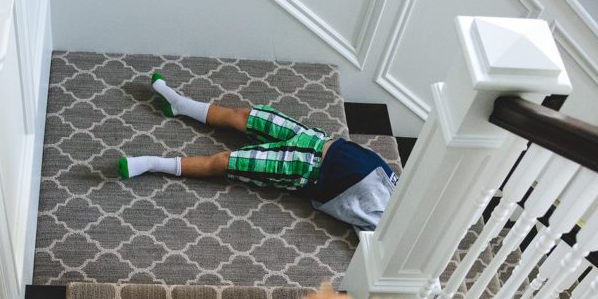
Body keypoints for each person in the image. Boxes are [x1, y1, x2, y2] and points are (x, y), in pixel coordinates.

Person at [119, 73, 399, 231]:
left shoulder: (384, 227)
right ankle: (180, 103)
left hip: (302, 169)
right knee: (243, 116)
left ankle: (152, 164)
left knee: (224, 161)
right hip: (314, 139)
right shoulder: (405, 188)